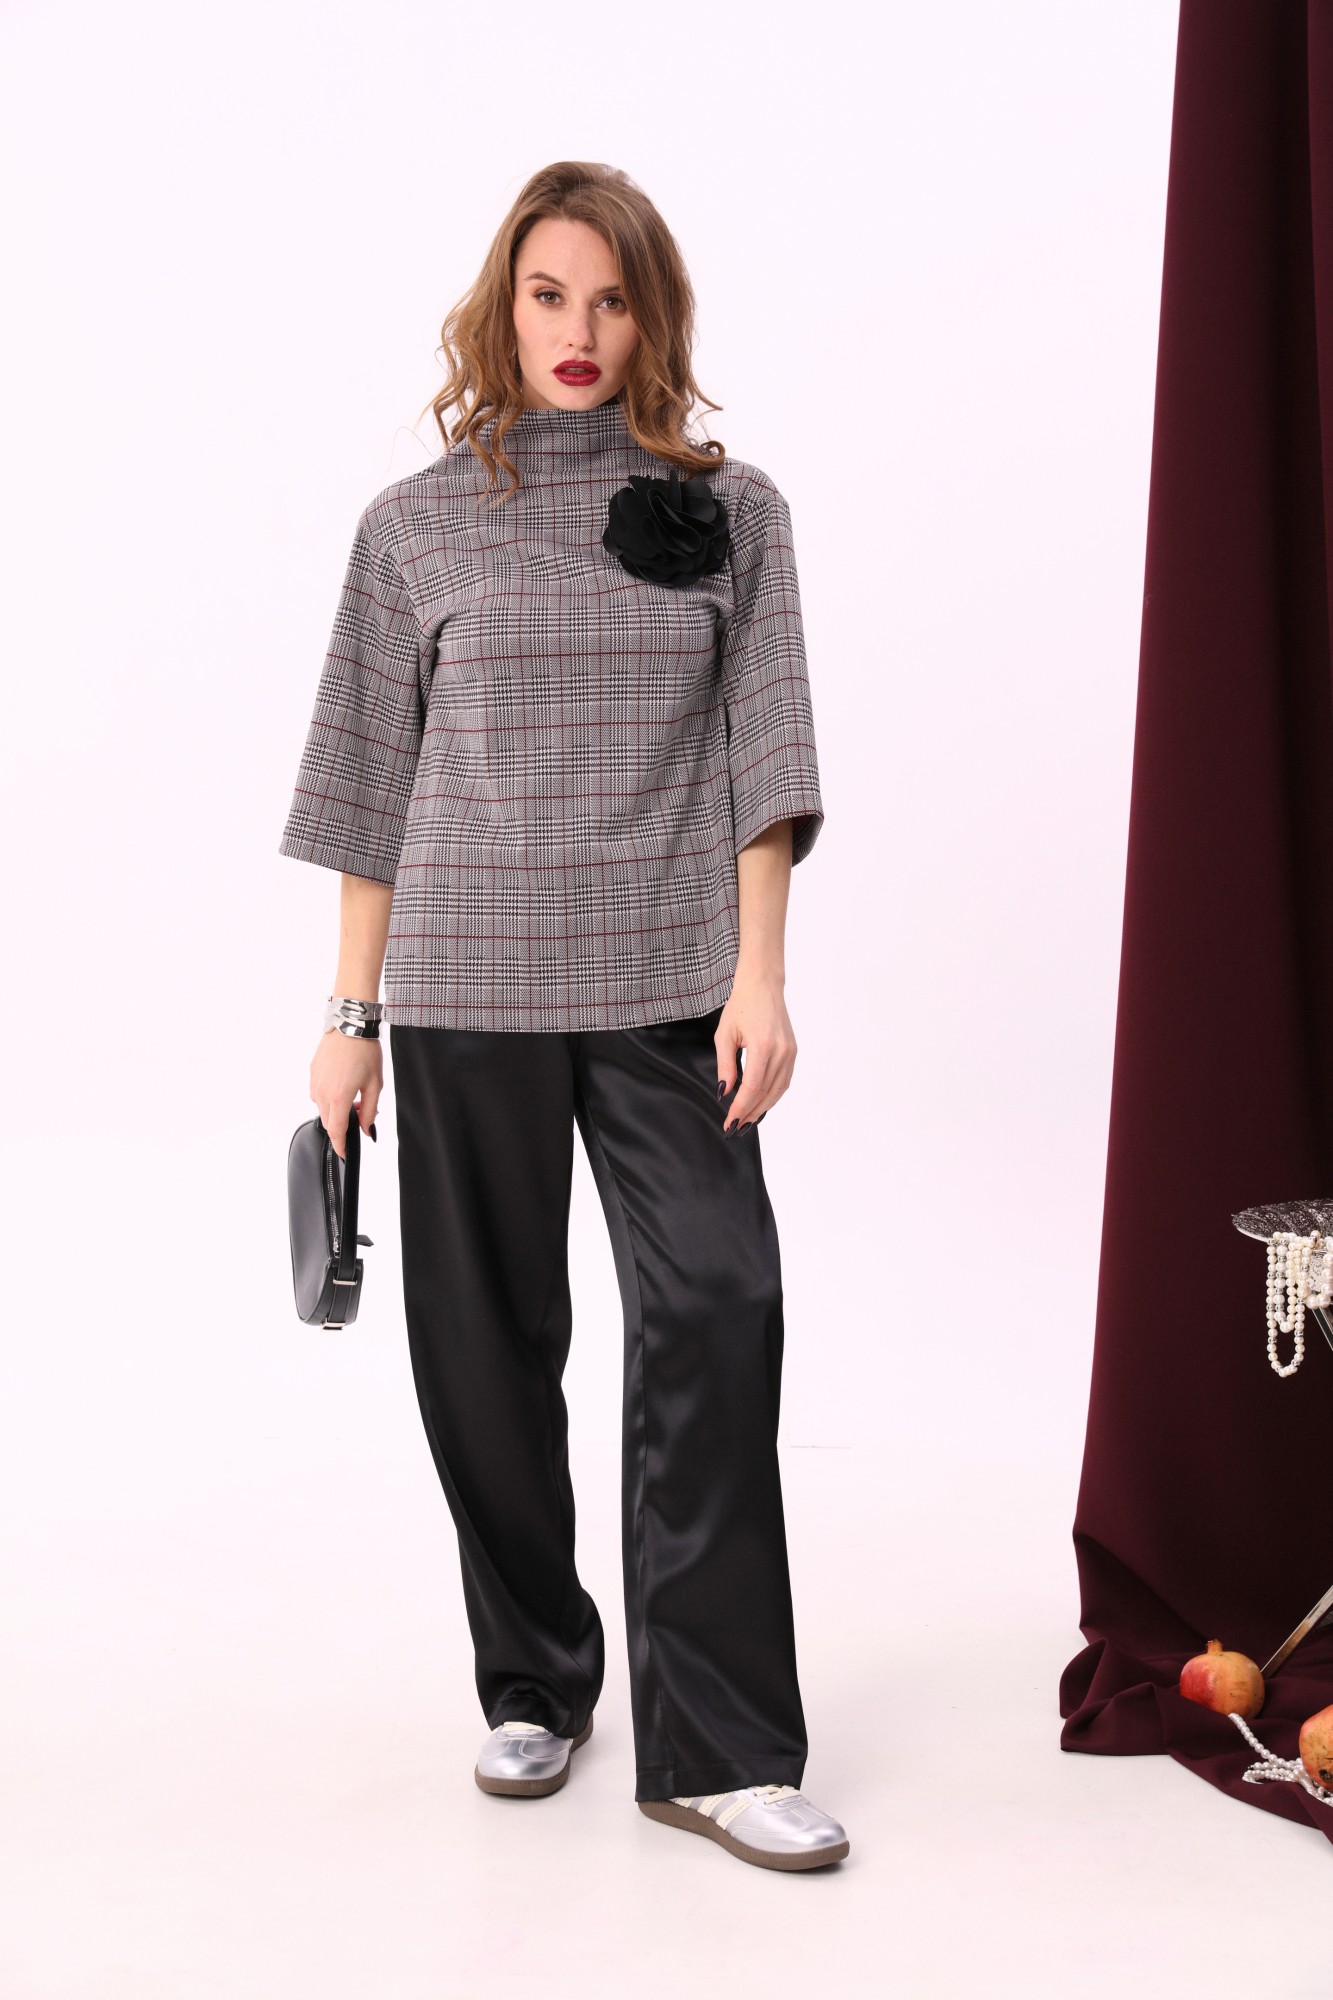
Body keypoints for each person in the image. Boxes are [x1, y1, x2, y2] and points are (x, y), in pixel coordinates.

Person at [277, 160, 848, 1873]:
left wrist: (762, 976)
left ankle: (719, 1749)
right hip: (463, 983)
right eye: (548, 297)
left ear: (651, 316)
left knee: (719, 1307)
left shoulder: (736, 511)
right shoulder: (412, 524)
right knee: (480, 1345)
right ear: (502, 308)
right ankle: (534, 1679)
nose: (578, 330)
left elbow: (767, 756)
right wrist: (348, 1014)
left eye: (610, 299)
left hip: (673, 985)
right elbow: (368, 780)